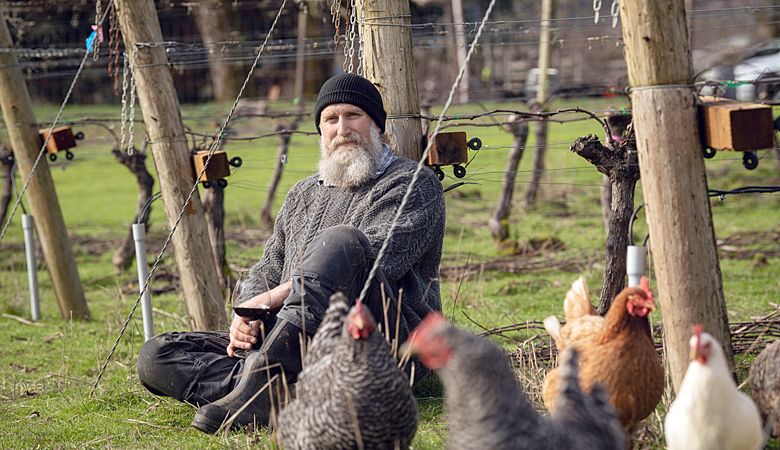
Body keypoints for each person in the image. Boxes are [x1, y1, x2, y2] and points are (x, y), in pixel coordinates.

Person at [136, 73, 446, 434]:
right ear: (321, 133)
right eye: (331, 119)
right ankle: (277, 390)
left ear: (378, 126)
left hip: (375, 340)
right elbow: (268, 268)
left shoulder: (412, 184)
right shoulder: (302, 194)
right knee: (156, 355)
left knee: (343, 242)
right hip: (289, 340)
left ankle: (261, 385)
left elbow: (378, 257)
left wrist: (278, 295)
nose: (342, 128)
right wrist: (248, 314)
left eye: (353, 116)